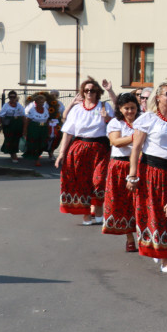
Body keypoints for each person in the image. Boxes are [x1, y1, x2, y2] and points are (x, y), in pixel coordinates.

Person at [128, 81, 167, 273]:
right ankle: (165, 258)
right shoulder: (148, 119)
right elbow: (136, 147)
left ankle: (157, 245)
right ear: (158, 97)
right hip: (152, 171)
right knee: (159, 214)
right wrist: (132, 174)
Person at [57, 77, 113, 225]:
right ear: (83, 92)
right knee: (82, 183)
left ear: (97, 92)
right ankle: (86, 214)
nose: (89, 93)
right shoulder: (77, 109)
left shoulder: (104, 106)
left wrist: (107, 118)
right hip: (79, 148)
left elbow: (115, 123)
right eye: (87, 90)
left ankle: (99, 209)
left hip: (100, 148)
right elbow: (68, 132)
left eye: (92, 90)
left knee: (99, 180)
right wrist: (62, 153)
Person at [103, 93, 140, 252]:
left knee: (139, 202)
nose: (130, 111)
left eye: (133, 108)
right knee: (123, 203)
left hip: (140, 163)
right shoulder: (115, 123)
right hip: (120, 165)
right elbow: (115, 142)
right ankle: (130, 237)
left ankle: (143, 236)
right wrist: (136, 137)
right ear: (120, 108)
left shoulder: (142, 121)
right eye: (127, 108)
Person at [21, 94, 50, 166]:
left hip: (43, 128)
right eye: (40, 102)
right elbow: (28, 121)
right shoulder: (32, 110)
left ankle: (36, 155)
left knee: (43, 144)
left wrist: (49, 130)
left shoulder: (45, 109)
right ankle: (36, 159)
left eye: (43, 102)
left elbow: (47, 121)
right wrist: (25, 131)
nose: (41, 104)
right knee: (34, 144)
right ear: (36, 102)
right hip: (34, 128)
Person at [0, 90, 25, 162]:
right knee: (10, 139)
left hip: (18, 124)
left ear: (16, 97)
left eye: (14, 97)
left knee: (16, 140)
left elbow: (23, 116)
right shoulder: (6, 106)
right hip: (9, 124)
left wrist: (25, 127)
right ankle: (13, 155)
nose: (12, 98)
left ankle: (13, 153)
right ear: (9, 97)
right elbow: (1, 116)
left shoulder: (19, 105)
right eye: (11, 97)